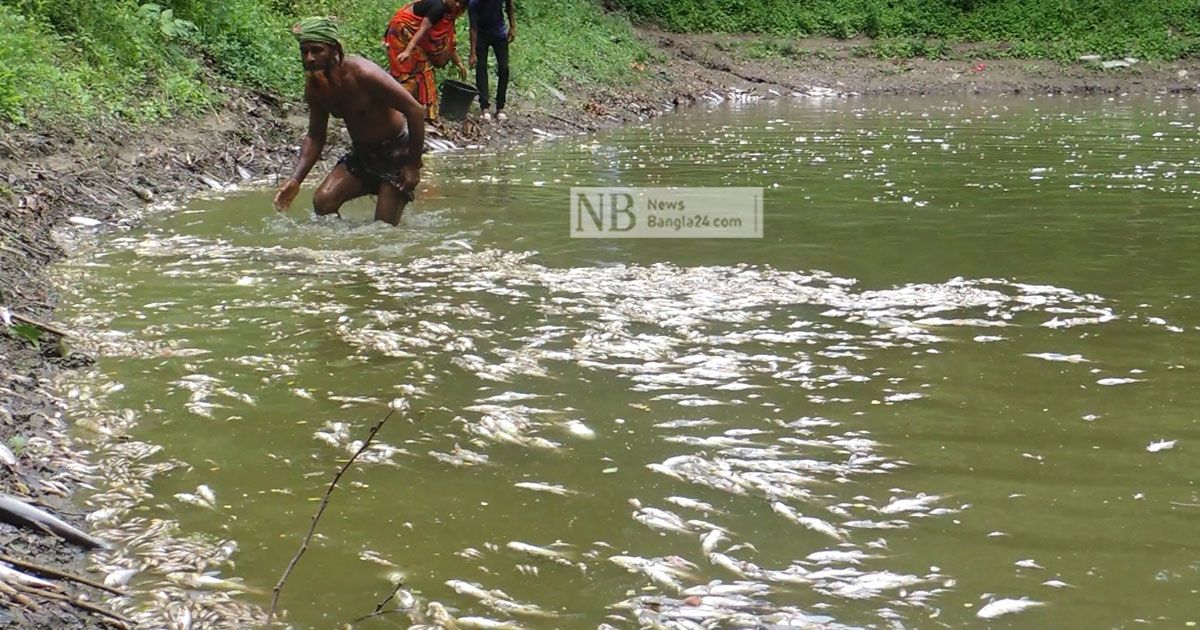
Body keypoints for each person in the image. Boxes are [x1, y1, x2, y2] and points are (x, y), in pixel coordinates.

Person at [273, 17, 426, 226]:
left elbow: (415, 111)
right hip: (362, 154)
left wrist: (413, 165)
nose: (309, 58)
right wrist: (295, 180)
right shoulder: (315, 88)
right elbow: (315, 136)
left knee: (383, 229)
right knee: (323, 202)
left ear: (334, 49)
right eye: (304, 51)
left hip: (397, 154)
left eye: (317, 50)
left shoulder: (364, 73)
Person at [384, 0, 468, 122]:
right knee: (417, 72)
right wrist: (407, 51)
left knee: (421, 73)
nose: (457, 5)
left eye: (461, 3)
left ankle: (413, 110)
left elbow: (448, 40)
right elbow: (423, 29)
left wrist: (458, 62)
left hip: (412, 36)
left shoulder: (448, 13)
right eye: (456, 0)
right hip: (401, 31)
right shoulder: (438, 8)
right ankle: (393, 108)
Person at [468, 0, 516, 121]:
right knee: (481, 67)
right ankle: (484, 107)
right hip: (481, 34)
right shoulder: (474, 3)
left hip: (499, 33)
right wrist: (473, 53)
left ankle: (500, 107)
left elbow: (509, 6)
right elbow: (473, 28)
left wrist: (512, 26)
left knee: (504, 68)